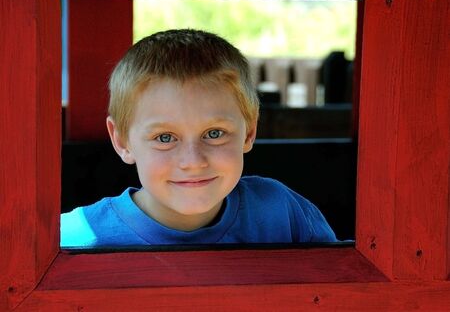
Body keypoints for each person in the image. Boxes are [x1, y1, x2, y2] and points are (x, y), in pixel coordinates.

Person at [61, 29, 338, 247]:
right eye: (165, 137)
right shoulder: (70, 240)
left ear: (249, 131)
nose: (193, 162)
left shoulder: (283, 216)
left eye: (214, 134)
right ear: (122, 142)